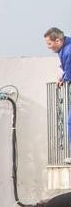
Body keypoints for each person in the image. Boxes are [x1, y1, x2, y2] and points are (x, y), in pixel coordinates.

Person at [48, 28, 71, 163]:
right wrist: (62, 77)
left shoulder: (68, 51)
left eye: (50, 44)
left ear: (58, 40)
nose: (49, 47)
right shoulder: (64, 48)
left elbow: (69, 73)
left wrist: (64, 78)